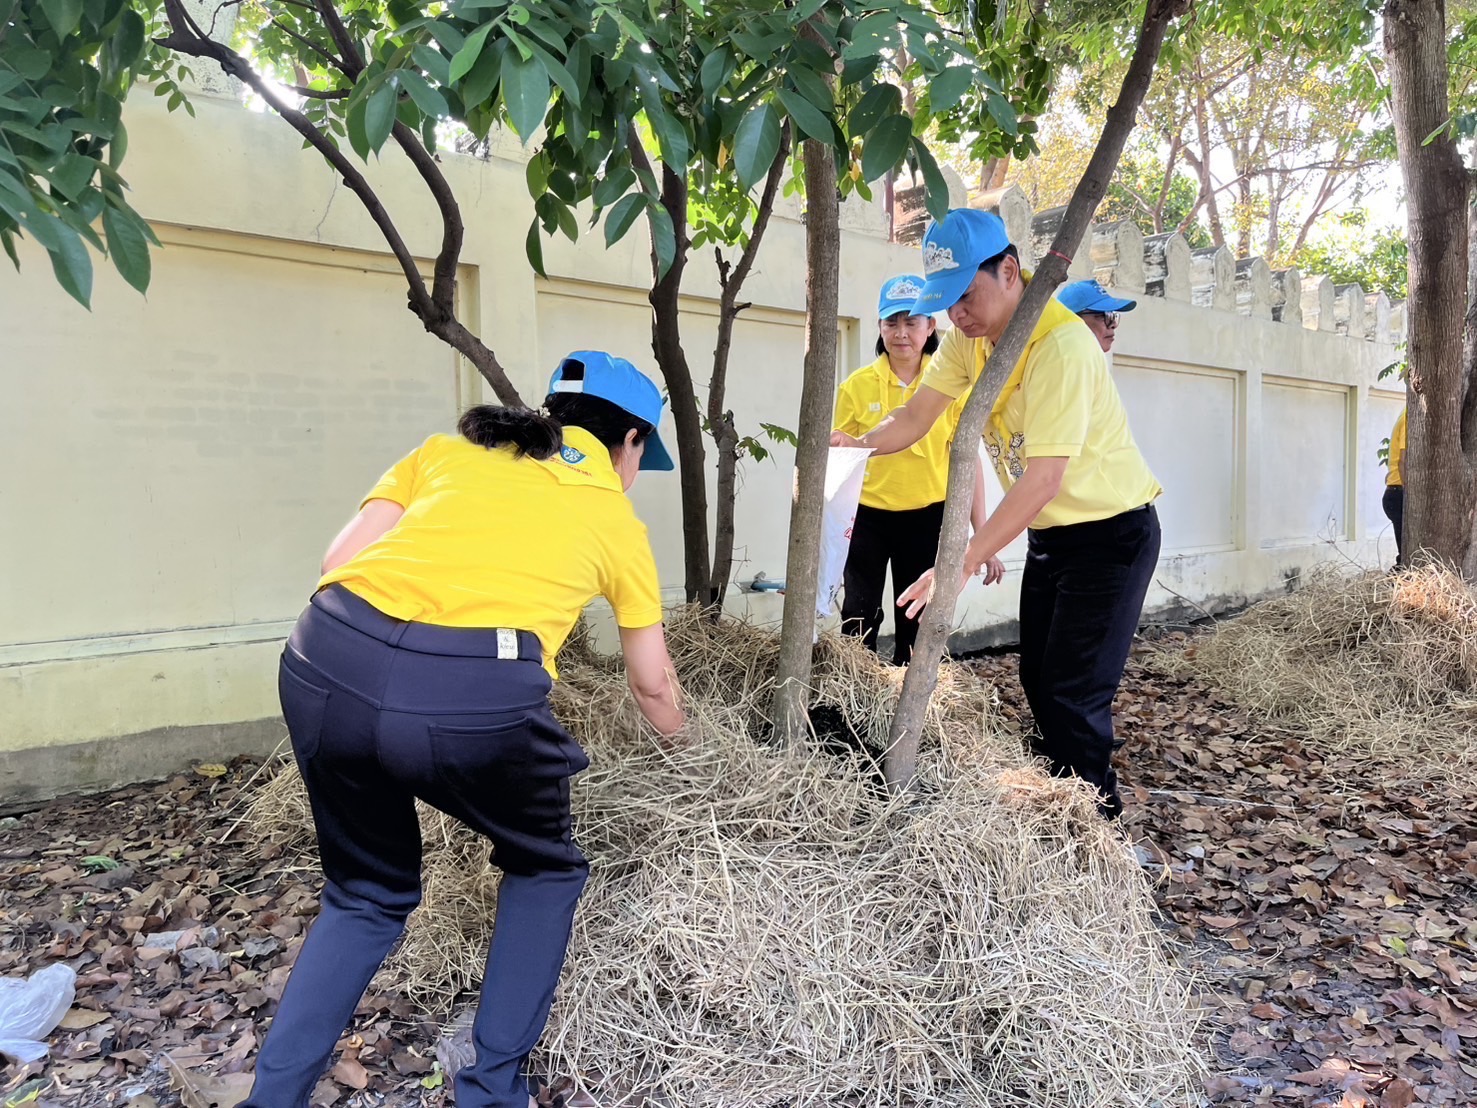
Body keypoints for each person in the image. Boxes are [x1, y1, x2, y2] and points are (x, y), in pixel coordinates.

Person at [241, 352, 686, 1108]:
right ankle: (491, 1090)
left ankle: (271, 1098)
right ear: (631, 442)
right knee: (544, 869)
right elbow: (652, 685)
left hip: (325, 658)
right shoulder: (615, 518)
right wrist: (693, 754)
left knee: (365, 893)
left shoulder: (446, 452)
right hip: (474, 696)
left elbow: (339, 560)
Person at [831, 209, 1162, 820]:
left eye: (965, 296)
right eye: (946, 302)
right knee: (1038, 678)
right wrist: (858, 445)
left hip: (1111, 536)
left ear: (1009, 271)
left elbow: (1043, 478)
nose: (956, 314)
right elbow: (916, 415)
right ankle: (1061, 803)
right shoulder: (970, 339)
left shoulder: (1062, 346)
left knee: (1073, 692)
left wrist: (961, 560)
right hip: (1053, 537)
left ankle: (1099, 830)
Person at [832, 275, 994, 664]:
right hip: (867, 517)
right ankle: (857, 686)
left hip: (927, 517)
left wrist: (983, 534)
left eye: (912, 322)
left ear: (930, 326)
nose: (901, 333)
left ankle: (911, 688)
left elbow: (968, 460)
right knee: (859, 612)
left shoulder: (950, 385)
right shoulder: (856, 386)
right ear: (879, 326)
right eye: (892, 322)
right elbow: (838, 457)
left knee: (917, 613)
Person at [1057, 278, 1137, 355]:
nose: (1113, 325)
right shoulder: (1063, 361)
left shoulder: (1091, 361)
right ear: (1074, 320)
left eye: (1112, 315)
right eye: (1103, 316)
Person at [1384, 405, 1407, 568]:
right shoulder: (1408, 418)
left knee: (1405, 553)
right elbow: (1402, 461)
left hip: (1395, 491)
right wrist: (1410, 493)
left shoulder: (1404, 415)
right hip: (1398, 493)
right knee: (1405, 557)